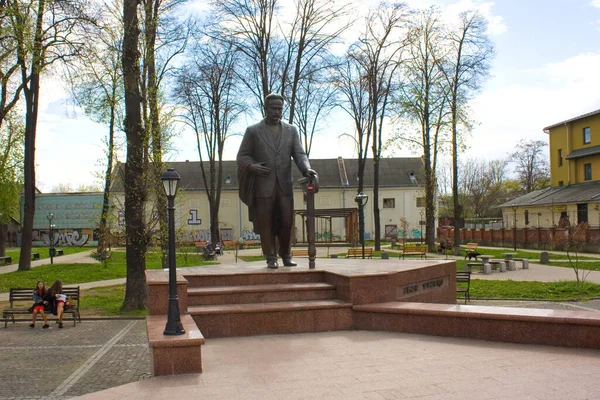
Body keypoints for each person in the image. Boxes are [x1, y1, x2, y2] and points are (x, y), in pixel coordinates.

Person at [237, 93, 317, 269]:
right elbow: (242, 156)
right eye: (273, 108)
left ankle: (286, 255)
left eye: (280, 108)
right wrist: (252, 166)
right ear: (266, 108)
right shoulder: (253, 131)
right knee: (266, 224)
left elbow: (299, 154)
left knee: (287, 222)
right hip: (263, 186)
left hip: (284, 186)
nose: (277, 112)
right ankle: (270, 257)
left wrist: (306, 168)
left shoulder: (291, 130)